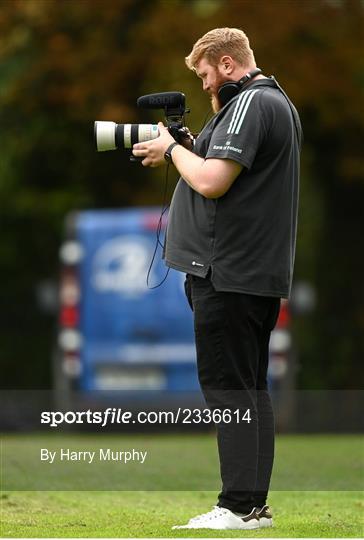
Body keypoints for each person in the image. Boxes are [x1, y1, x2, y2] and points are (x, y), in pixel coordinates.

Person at [133, 27, 302, 530]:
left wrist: (172, 150)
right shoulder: (273, 104)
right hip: (246, 272)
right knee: (250, 390)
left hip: (228, 272)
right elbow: (214, 169)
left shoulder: (252, 102)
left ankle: (236, 507)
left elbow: (210, 181)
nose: (207, 88)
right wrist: (182, 146)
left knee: (229, 390)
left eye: (206, 76)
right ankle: (253, 506)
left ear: (228, 65)